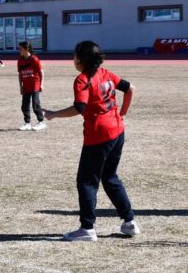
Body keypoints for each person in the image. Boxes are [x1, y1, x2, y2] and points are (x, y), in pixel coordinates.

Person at [44, 41, 139, 242]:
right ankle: (129, 222)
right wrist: (121, 114)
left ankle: (87, 228)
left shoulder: (82, 80)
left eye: (74, 55)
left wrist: (53, 114)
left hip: (99, 135)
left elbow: (79, 107)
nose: (73, 59)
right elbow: (130, 89)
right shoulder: (105, 73)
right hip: (117, 131)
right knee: (110, 177)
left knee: (86, 181)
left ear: (81, 60)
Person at [17, 41, 46, 131]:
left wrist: (41, 84)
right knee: (24, 105)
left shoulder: (34, 59)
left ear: (27, 49)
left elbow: (41, 72)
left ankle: (41, 122)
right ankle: (27, 123)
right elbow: (20, 74)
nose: (19, 50)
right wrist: (21, 87)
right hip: (26, 86)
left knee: (35, 104)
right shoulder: (20, 60)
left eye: (21, 49)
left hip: (34, 85)